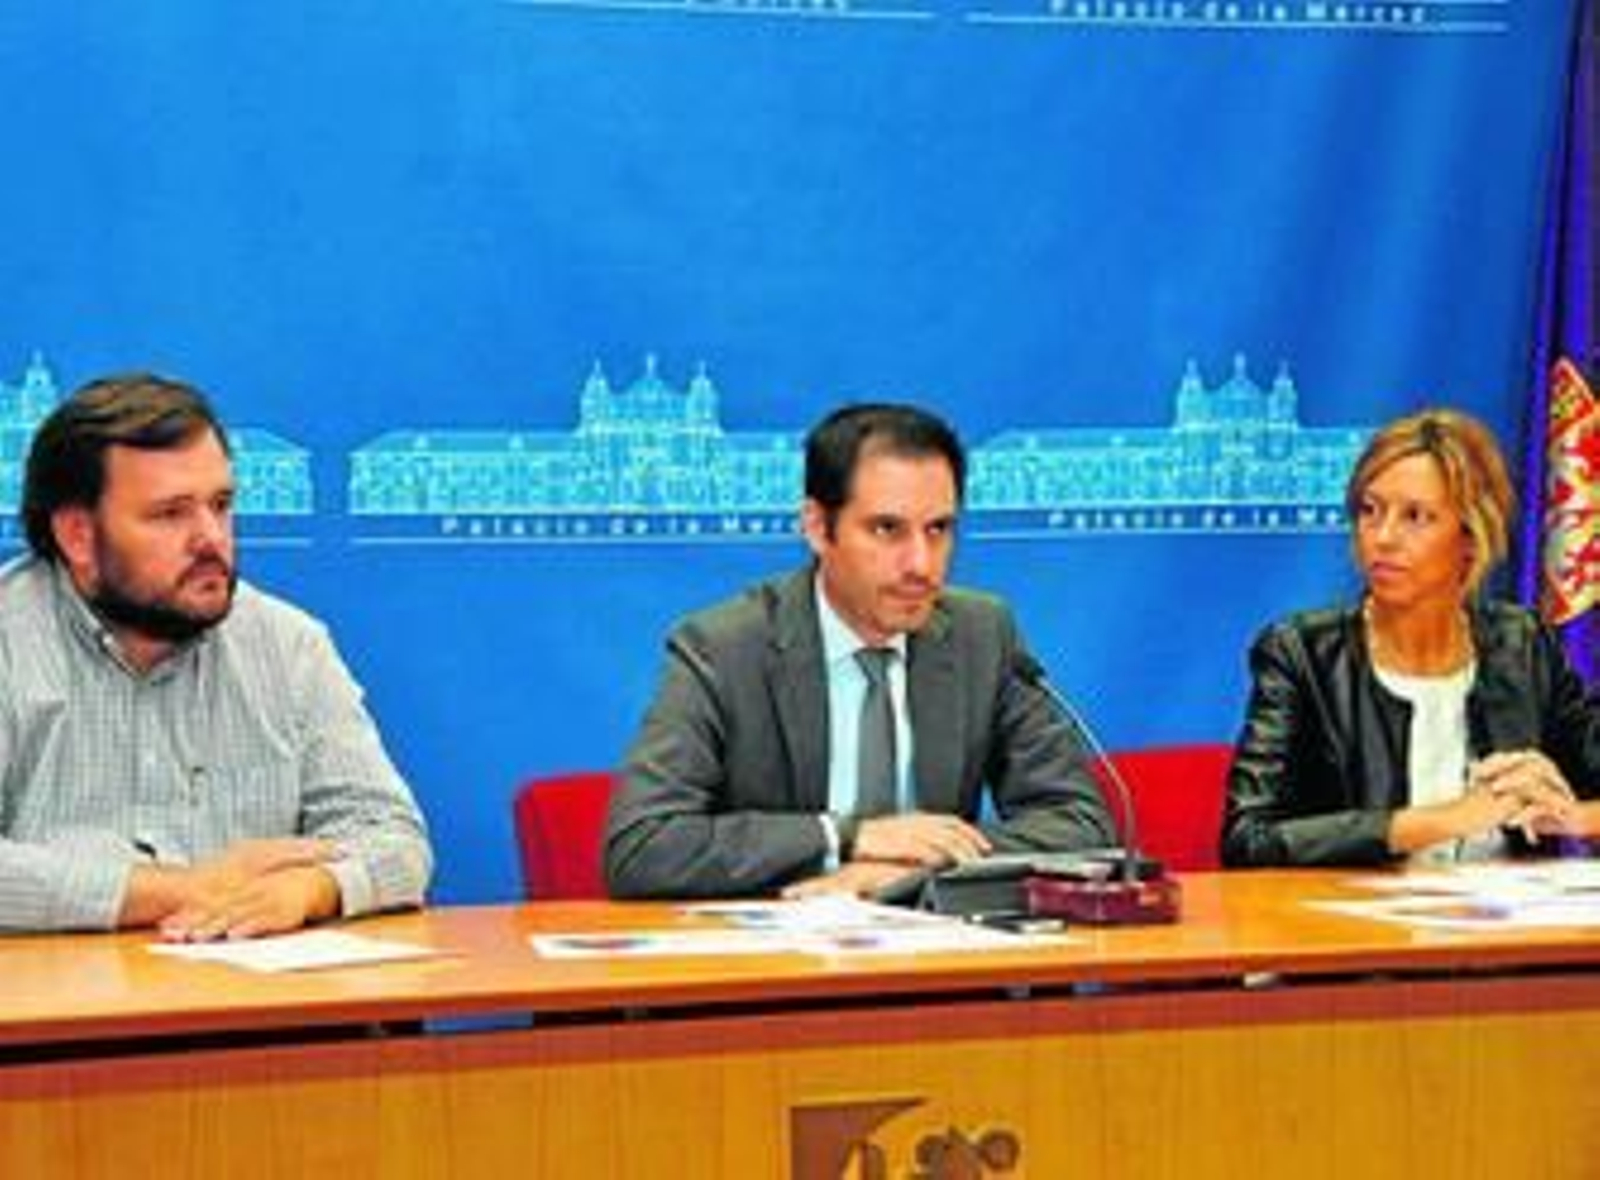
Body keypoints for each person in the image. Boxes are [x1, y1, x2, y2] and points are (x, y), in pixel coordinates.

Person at [606, 402, 1115, 899]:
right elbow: (643, 846)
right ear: (817, 528)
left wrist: (914, 870)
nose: (921, 563)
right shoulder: (724, 648)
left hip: (938, 963)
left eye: (938, 529)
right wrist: (846, 838)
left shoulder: (982, 634)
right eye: (887, 529)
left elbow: (1082, 825)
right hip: (779, 965)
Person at [0, 373, 432, 938]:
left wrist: (308, 889)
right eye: (170, 513)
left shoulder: (287, 645)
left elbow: (395, 839)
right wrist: (183, 889)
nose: (211, 538)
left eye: (221, 505)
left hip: (256, 1007)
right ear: (78, 536)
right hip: (62, 1015)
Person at [1222, 407, 1599, 867]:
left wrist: (1569, 816)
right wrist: (1449, 818)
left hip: (1503, 928)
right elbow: (1247, 840)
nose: (1382, 537)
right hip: (1355, 931)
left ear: (1470, 537)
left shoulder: (1523, 646)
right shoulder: (1303, 653)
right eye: (1370, 511)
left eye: (1416, 517)